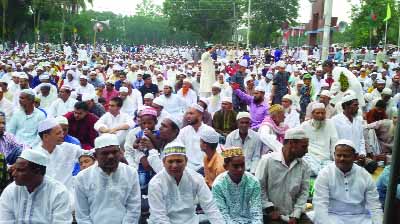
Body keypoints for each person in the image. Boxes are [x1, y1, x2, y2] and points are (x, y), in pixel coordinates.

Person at [147, 141, 225, 223]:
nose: (175, 165)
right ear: (163, 162)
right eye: (170, 161)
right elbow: (159, 217)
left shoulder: (196, 178)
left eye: (179, 161)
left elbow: (210, 207)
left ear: (186, 161)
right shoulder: (156, 183)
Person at [74, 133, 141, 223]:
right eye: (105, 153)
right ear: (95, 156)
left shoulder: (131, 173)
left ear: (120, 152)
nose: (110, 156)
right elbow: (82, 215)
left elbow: (133, 209)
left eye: (114, 152)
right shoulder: (82, 178)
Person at [312, 139, 383, 224]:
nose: (342, 159)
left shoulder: (364, 175)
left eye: (346, 156)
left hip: (360, 217)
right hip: (332, 216)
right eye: (338, 155)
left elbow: (374, 205)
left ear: (355, 157)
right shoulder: (325, 174)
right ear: (334, 155)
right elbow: (320, 204)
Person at [255, 128, 311, 223]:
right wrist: (270, 210)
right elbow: (258, 188)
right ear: (292, 143)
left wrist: (296, 215)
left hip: (293, 214)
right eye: (304, 147)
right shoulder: (268, 161)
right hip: (270, 214)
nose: (306, 151)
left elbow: (303, 193)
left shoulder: (304, 166)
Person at [0, 149, 72, 222]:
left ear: (37, 171)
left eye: (20, 170)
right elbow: (5, 221)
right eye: (14, 169)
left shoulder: (58, 193)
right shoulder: (10, 191)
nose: (13, 174)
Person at [212, 146, 263, 224]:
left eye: (242, 165)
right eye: (235, 166)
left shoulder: (253, 182)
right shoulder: (218, 185)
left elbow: (256, 212)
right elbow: (222, 214)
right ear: (226, 167)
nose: (240, 169)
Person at [301, 103, 338, 176]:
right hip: (310, 157)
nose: (320, 115)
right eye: (318, 113)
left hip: (326, 158)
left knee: (332, 171)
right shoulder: (305, 125)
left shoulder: (330, 123)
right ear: (312, 114)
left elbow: (334, 142)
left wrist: (335, 159)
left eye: (323, 113)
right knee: (310, 169)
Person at [331, 92, 366, 156]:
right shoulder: (335, 120)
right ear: (346, 106)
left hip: (357, 155)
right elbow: (334, 141)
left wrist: (362, 153)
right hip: (343, 156)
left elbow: (361, 140)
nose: (358, 107)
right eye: (355, 105)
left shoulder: (358, 120)